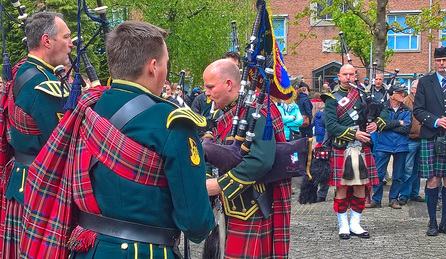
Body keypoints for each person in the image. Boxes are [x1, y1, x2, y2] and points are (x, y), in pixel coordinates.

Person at [20, 21, 215, 258]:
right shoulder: (173, 122)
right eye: (165, 63)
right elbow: (196, 225)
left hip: (86, 250)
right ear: (153, 67)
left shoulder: (84, 109)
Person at [0, 12, 73, 258]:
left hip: (22, 184)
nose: (71, 43)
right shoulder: (43, 86)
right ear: (47, 41)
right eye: (66, 37)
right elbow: (63, 146)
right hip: (39, 189)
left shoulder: (22, 72)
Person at [203, 59, 291, 257]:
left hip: (252, 207)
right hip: (228, 206)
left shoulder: (257, 109)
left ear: (228, 84)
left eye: (210, 87)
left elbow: (261, 160)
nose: (206, 93)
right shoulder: (226, 111)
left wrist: (219, 185)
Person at [321, 64, 379, 239]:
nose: (348, 77)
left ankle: (355, 223)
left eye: (351, 74)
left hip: (362, 149)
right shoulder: (331, 98)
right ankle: (343, 224)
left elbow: (382, 112)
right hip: (342, 147)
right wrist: (354, 133)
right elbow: (330, 124)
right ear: (338, 76)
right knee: (342, 187)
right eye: (344, 74)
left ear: (356, 76)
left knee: (361, 185)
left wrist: (376, 123)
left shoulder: (364, 95)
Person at [414, 46, 446, 237]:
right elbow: (417, 110)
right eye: (439, 61)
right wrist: (436, 120)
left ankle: (445, 223)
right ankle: (432, 222)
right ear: (435, 61)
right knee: (433, 180)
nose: (442, 64)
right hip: (432, 135)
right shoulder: (425, 82)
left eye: (445, 60)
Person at [366, 84, 411, 209]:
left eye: (403, 92)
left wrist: (387, 125)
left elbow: (406, 128)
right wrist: (398, 123)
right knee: (378, 174)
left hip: (401, 145)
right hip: (383, 145)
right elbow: (379, 125)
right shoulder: (382, 108)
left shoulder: (406, 110)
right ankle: (376, 199)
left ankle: (393, 199)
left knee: (398, 175)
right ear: (391, 95)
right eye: (399, 92)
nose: (403, 95)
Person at [399, 79, 425, 204]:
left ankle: (414, 193)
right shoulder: (406, 102)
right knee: (407, 169)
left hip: (422, 138)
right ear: (413, 89)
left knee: (418, 169)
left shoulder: (425, 100)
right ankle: (404, 194)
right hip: (410, 139)